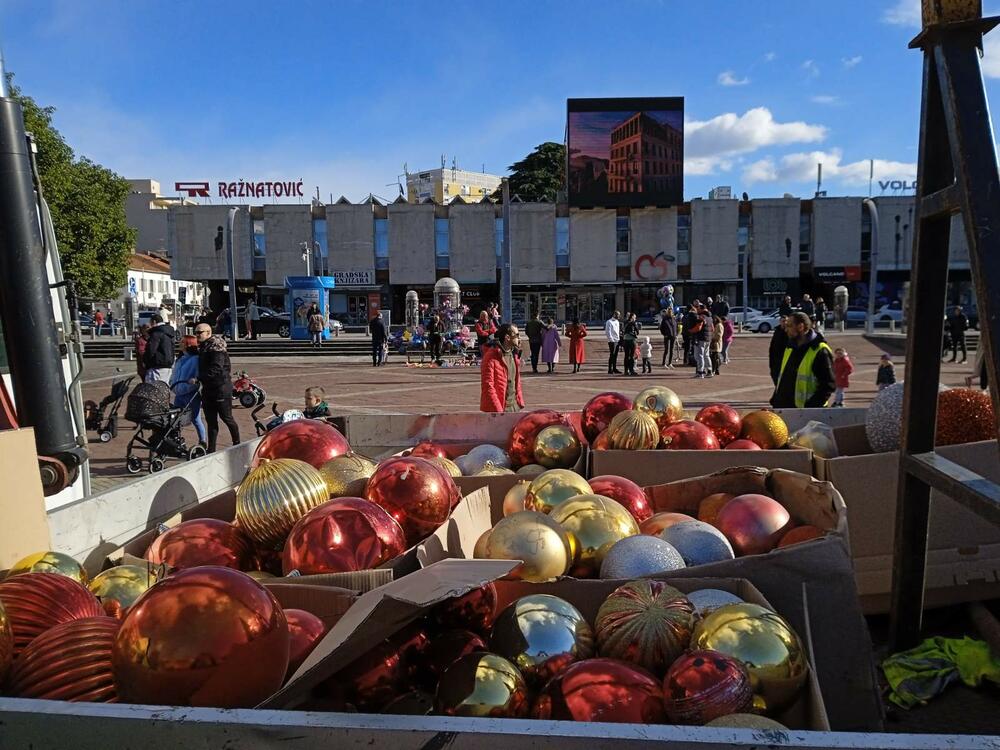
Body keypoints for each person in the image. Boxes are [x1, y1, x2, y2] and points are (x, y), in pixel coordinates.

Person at [770, 312, 836, 408]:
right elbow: (784, 377)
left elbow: (829, 384)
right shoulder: (790, 346)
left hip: (806, 413)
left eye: (789, 326)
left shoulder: (820, 350)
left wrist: (811, 406)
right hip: (785, 409)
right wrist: (776, 400)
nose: (786, 329)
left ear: (800, 327)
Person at [194, 323, 240, 453]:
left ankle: (237, 443)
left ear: (208, 333)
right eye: (195, 333)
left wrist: (199, 378)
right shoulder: (204, 347)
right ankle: (211, 449)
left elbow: (217, 368)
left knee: (227, 418)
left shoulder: (216, 347)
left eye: (199, 332)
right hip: (208, 389)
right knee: (211, 421)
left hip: (221, 388)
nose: (197, 335)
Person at [170, 335, 206, 447]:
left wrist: (194, 383)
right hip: (178, 392)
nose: (179, 344)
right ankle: (175, 439)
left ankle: (203, 441)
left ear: (188, 344)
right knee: (175, 418)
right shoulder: (180, 359)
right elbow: (175, 373)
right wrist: (172, 383)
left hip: (191, 393)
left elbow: (197, 375)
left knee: (195, 418)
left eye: (182, 342)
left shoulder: (195, 359)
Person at [480, 323, 524, 413]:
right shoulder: (491, 357)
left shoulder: (514, 354)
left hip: (514, 407)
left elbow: (515, 382)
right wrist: (499, 412)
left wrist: (519, 402)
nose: (519, 338)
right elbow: (488, 386)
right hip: (500, 410)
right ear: (507, 337)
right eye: (517, 335)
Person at [143, 314, 176, 383]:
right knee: (164, 388)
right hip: (168, 364)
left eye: (151, 323)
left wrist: (146, 361)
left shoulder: (156, 333)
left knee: (154, 389)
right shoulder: (169, 332)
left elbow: (151, 350)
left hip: (157, 365)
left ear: (154, 322)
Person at [692, 306, 713, 378]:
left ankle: (700, 372)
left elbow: (698, 328)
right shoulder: (710, 318)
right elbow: (712, 329)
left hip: (701, 338)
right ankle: (710, 370)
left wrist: (691, 331)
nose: (697, 310)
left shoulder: (702, 317)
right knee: (706, 355)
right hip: (708, 339)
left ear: (701, 309)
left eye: (698, 309)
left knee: (700, 355)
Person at [768, 316, 790, 385]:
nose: (785, 323)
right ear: (780, 322)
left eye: (786, 321)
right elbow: (772, 346)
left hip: (786, 361)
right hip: (776, 360)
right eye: (783, 321)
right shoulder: (777, 331)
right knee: (776, 379)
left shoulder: (790, 332)